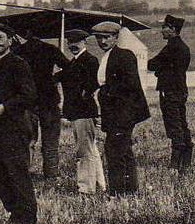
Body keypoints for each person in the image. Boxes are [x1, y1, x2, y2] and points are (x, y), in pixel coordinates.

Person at [0, 24, 39, 224]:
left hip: (15, 129)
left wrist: (5, 107)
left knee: (17, 174)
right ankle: (15, 215)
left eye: (0, 37)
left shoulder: (18, 64)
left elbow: (29, 95)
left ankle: (28, 222)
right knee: (0, 176)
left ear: (9, 40)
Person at [92, 21, 151, 196]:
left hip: (123, 112)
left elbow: (130, 86)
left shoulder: (124, 55)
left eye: (106, 37)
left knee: (114, 151)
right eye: (98, 38)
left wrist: (107, 93)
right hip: (114, 112)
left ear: (116, 37)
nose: (102, 41)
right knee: (123, 151)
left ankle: (117, 192)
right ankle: (129, 190)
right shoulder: (108, 56)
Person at [54, 29, 106, 195]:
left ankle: (86, 188)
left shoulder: (89, 60)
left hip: (83, 112)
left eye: (76, 41)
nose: (73, 45)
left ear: (85, 42)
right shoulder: (74, 62)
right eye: (70, 42)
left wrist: (85, 93)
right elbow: (60, 76)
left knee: (84, 152)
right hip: (78, 112)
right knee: (91, 149)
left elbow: (95, 82)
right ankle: (100, 184)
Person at [14, 29, 70, 179]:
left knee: (27, 141)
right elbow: (69, 68)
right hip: (49, 100)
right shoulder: (50, 49)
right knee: (50, 143)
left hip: (27, 102)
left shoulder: (17, 52)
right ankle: (51, 175)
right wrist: (54, 78)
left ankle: (24, 174)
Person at [147, 14, 193, 174]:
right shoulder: (183, 47)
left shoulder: (170, 48)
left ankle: (175, 165)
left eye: (164, 27)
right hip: (180, 90)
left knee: (174, 127)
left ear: (172, 29)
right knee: (182, 125)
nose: (161, 31)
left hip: (169, 92)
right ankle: (186, 162)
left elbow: (153, 64)